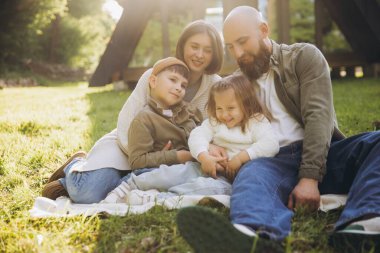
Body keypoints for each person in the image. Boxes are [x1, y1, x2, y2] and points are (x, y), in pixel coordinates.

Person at [176, 6, 380, 253]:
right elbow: (216, 121)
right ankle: (252, 237)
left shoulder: (304, 57)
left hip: (322, 152)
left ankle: (365, 225)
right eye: (231, 46)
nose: (238, 53)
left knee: (376, 143)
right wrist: (210, 147)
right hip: (271, 161)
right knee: (251, 176)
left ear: (263, 30)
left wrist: (309, 178)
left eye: (242, 42)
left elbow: (319, 117)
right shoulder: (238, 81)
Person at [41, 20, 224, 204]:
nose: (200, 55)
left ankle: (116, 180)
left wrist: (167, 158)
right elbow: (126, 124)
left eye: (207, 50)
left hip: (169, 161)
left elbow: (209, 131)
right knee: (86, 193)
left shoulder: (215, 86)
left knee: (131, 189)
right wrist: (147, 157)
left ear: (214, 54)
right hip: (127, 145)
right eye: (194, 46)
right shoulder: (155, 75)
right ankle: (76, 165)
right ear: (183, 45)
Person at [101, 57, 231, 205]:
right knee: (189, 173)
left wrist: (209, 148)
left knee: (220, 186)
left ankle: (157, 197)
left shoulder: (190, 112)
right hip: (153, 173)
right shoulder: (144, 118)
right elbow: (137, 161)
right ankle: (129, 186)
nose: (178, 87)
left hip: (188, 170)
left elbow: (200, 135)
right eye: (173, 80)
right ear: (153, 81)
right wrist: (177, 156)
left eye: (183, 85)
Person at [189, 74, 279, 182]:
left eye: (231, 108)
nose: (224, 115)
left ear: (247, 105)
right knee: (180, 172)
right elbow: (197, 135)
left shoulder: (256, 121)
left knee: (205, 185)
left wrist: (240, 158)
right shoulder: (215, 122)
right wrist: (204, 157)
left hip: (241, 174)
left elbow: (271, 144)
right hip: (212, 167)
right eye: (219, 108)